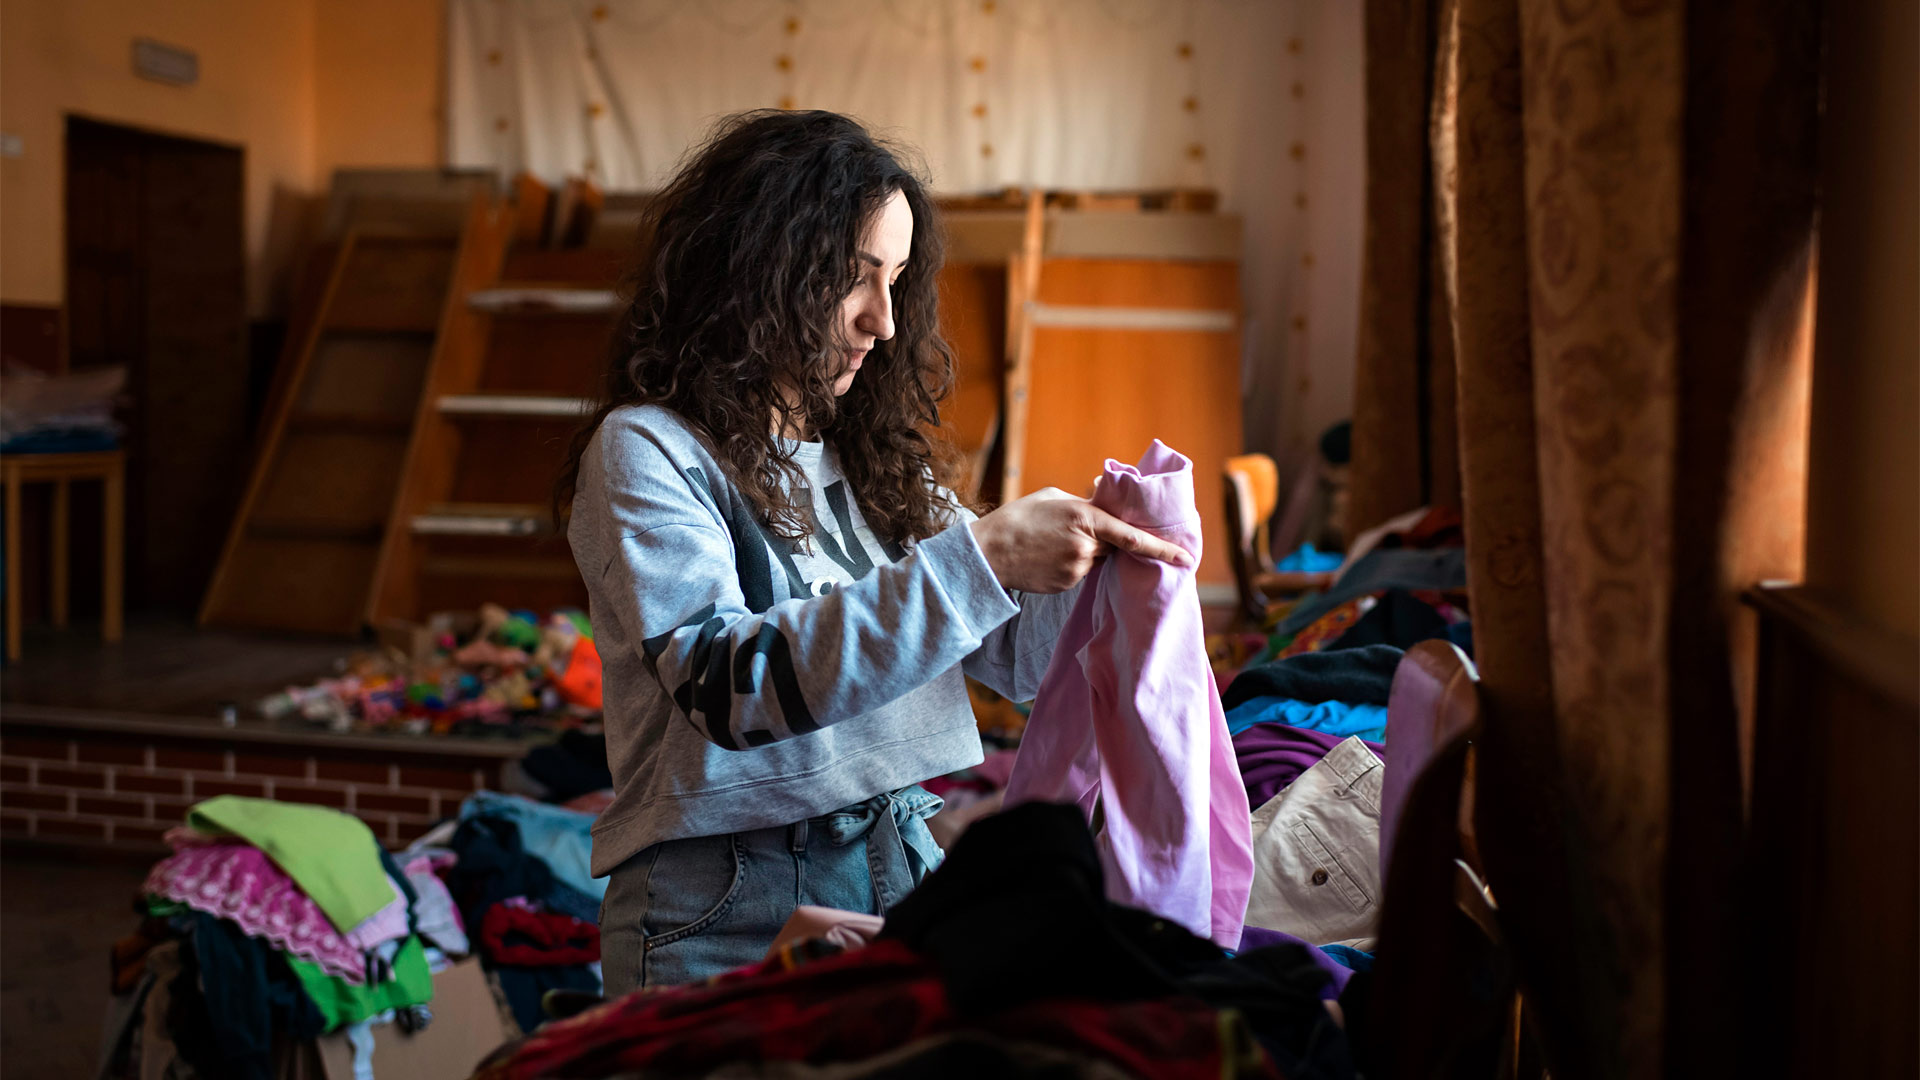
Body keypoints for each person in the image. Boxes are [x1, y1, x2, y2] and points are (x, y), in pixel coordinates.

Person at [555, 110, 1196, 995]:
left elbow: (1018, 662)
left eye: (896, 281)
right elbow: (729, 689)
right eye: (853, 281)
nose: (884, 322)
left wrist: (1104, 574)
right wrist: (987, 557)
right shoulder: (649, 450)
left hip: (901, 863)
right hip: (724, 904)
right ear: (754, 273)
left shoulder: (870, 457)